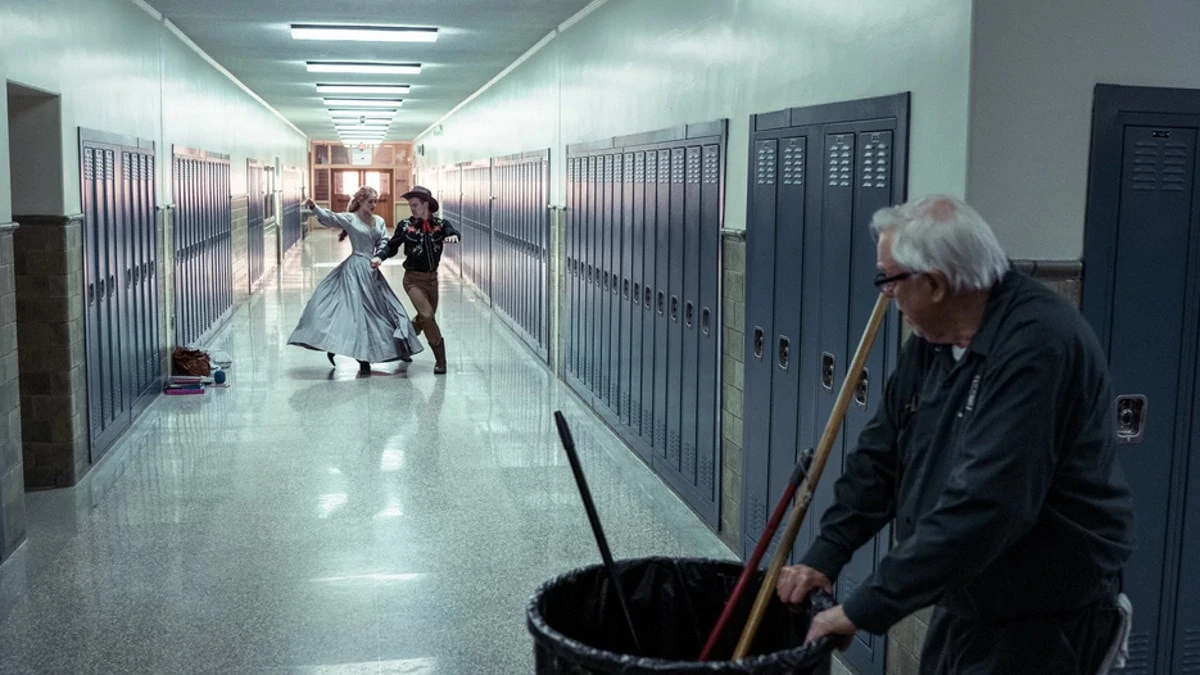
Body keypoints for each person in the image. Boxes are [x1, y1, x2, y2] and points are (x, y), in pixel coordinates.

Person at [776, 195, 1134, 674]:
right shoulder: (934, 339)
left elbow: (988, 505)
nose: (886, 294)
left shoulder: (1039, 345)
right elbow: (880, 460)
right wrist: (827, 555)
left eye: (889, 280)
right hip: (970, 604)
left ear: (936, 284)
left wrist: (865, 608)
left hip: (1045, 623)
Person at [288, 186, 423, 373]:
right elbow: (330, 218)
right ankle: (360, 356)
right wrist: (314, 207)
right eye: (370, 201)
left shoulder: (379, 221)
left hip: (371, 267)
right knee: (356, 313)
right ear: (360, 201)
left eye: (375, 201)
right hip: (354, 269)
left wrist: (380, 256)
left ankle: (399, 347)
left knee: (384, 309)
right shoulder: (351, 219)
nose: (374, 205)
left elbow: (384, 240)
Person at [371, 186, 460, 375]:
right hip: (413, 280)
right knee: (428, 316)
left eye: (416, 205)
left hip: (432, 281)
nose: (412, 209)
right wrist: (380, 256)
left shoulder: (441, 225)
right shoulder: (405, 225)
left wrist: (452, 235)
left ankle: (402, 342)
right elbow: (393, 246)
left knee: (424, 318)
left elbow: (452, 231)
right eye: (410, 205)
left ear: (426, 204)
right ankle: (441, 361)